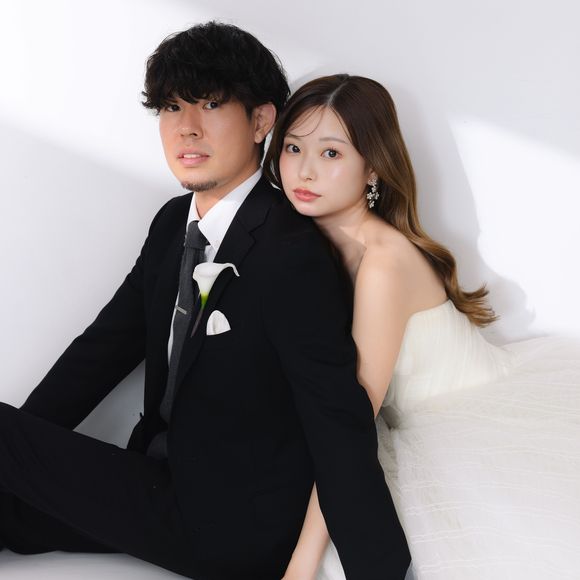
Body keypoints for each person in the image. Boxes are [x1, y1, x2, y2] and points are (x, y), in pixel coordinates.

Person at [0, 28, 411, 580]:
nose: (187, 127)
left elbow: (337, 418)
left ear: (261, 122)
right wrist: (16, 464)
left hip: (235, 524)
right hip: (157, 483)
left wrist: (377, 570)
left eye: (211, 104)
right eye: (172, 107)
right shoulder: (173, 222)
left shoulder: (291, 253)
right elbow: (99, 352)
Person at [264, 73, 580, 580]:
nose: (304, 170)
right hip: (392, 420)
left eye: (331, 153)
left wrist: (298, 567)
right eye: (293, 147)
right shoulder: (309, 245)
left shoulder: (383, 264)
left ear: (373, 167)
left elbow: (349, 423)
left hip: (460, 421)